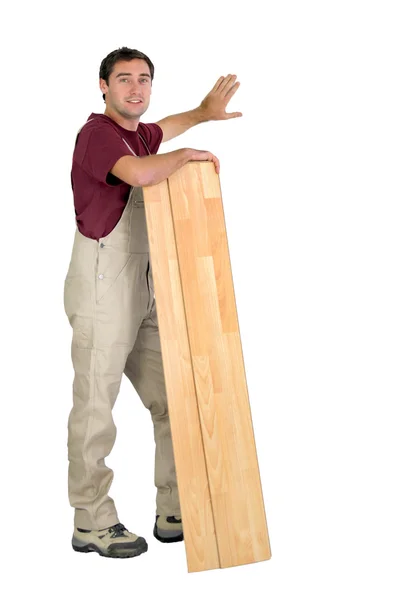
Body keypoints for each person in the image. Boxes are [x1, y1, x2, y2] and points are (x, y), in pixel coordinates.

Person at [64, 46, 242, 559]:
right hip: (101, 285)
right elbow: (141, 174)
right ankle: (92, 521)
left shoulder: (140, 134)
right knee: (96, 408)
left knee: (174, 399)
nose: (135, 88)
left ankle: (175, 506)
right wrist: (188, 158)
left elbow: (165, 127)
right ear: (103, 86)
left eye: (143, 79)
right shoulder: (98, 134)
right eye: (124, 80)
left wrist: (203, 115)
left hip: (143, 286)